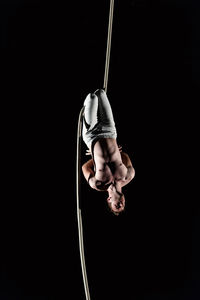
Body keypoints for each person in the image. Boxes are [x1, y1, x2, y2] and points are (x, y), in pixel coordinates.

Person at [82, 89, 135, 215]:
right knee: (101, 93)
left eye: (117, 206)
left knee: (92, 97)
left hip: (92, 135)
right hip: (109, 130)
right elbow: (125, 156)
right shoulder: (128, 175)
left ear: (109, 199)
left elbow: (85, 167)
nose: (121, 204)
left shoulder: (98, 184)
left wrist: (93, 155)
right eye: (123, 205)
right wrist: (118, 151)